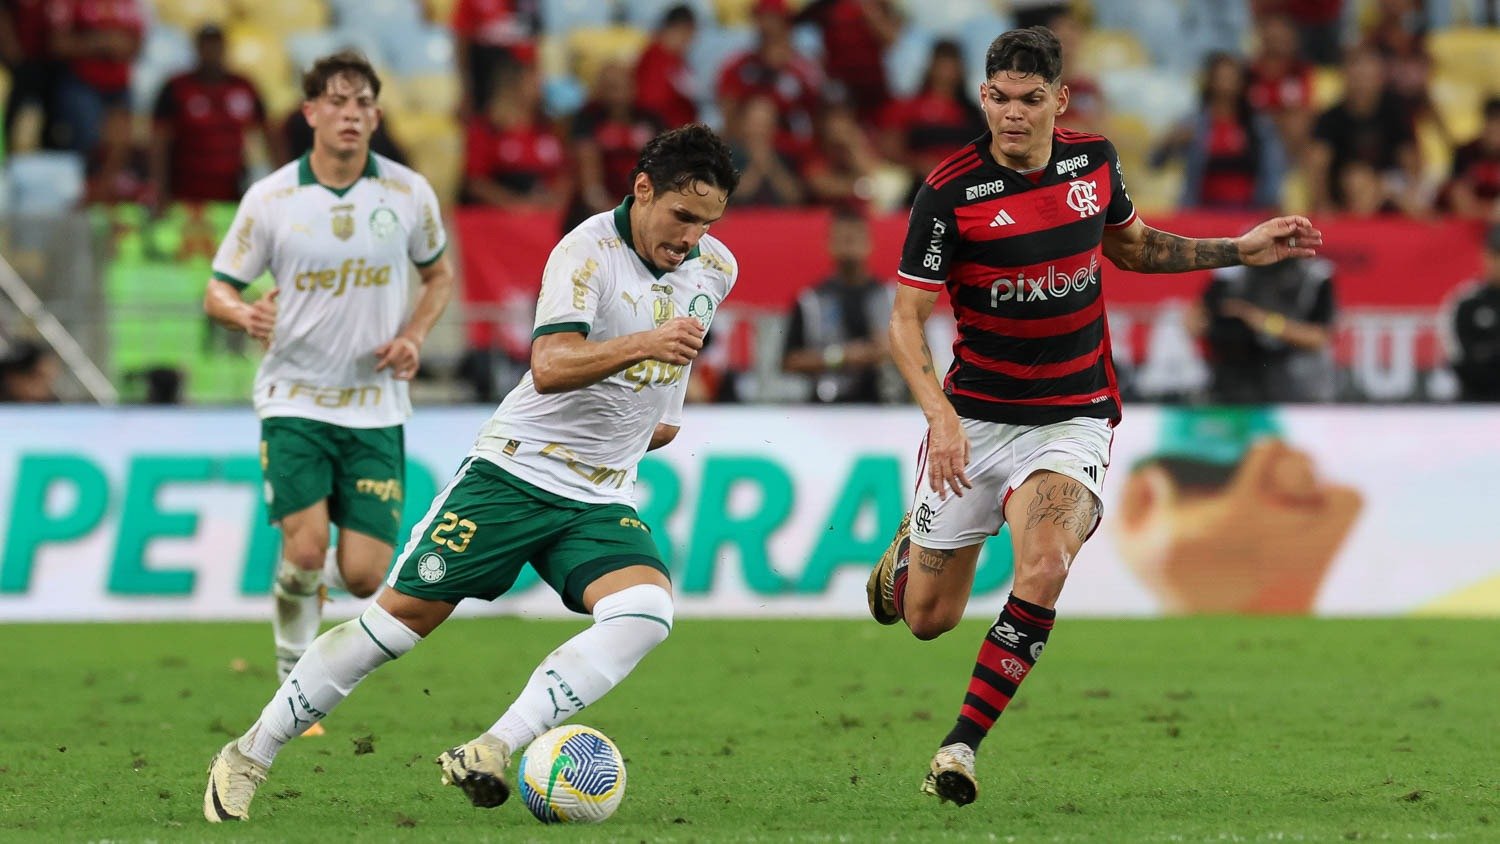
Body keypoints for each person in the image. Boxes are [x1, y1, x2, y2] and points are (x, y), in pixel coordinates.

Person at [202, 124, 740, 822]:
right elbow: (549, 366)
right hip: (512, 477)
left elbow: (671, 372)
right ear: (642, 190)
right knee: (390, 631)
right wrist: (644, 345)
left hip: (598, 494)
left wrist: (651, 420)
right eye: (682, 216)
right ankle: (248, 754)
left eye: (707, 222)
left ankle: (494, 746)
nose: (693, 237)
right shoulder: (584, 254)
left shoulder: (716, 269)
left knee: (646, 613)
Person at [862, 27, 1323, 807]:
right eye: (1000, 99)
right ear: (984, 98)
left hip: (1073, 415)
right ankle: (913, 548)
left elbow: (1136, 249)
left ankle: (960, 747)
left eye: (1030, 100)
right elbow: (905, 320)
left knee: (1044, 565)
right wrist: (939, 416)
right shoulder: (949, 191)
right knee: (927, 620)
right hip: (974, 421)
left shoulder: (1093, 164)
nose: (1013, 115)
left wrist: (1237, 251)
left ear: (1059, 101)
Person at [201, 51, 455, 735]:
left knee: (367, 576)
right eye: (337, 102)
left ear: (375, 116)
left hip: (375, 407)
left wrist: (413, 337)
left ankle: (303, 604)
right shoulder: (272, 199)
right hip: (294, 398)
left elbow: (438, 278)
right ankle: (292, 671)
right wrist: (243, 312)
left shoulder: (407, 194)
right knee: (308, 550)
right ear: (310, 113)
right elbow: (218, 288)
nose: (351, 114)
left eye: (363, 103)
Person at [150, 24, 283, 204]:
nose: (211, 51)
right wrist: (159, 188)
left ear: (225, 48)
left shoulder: (244, 87)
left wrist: (284, 185)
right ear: (197, 48)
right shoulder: (176, 88)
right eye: (206, 45)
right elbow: (159, 141)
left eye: (216, 45)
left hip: (232, 193)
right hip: (184, 195)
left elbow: (270, 136)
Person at [782, 204, 895, 402]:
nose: (849, 245)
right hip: (827, 407)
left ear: (869, 242)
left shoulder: (893, 299)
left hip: (886, 405)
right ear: (829, 243)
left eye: (855, 238)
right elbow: (789, 361)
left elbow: (924, 353)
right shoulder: (810, 300)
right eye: (843, 238)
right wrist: (841, 357)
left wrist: (892, 349)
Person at [1190, 254, 1336, 403]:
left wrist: (1263, 321)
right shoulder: (1232, 271)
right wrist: (1217, 323)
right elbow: (1194, 321)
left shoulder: (1313, 276)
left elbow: (1319, 338)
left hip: (1293, 385)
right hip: (1231, 378)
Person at [1152, 52, 1286, 211]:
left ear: (1242, 82)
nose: (1225, 83)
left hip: (1248, 212)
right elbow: (1155, 162)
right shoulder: (1192, 122)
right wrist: (1171, 142)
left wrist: (1270, 202)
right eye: (1221, 77)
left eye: (1231, 77)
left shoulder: (1259, 126)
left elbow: (1272, 168)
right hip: (1201, 210)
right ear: (1210, 81)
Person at [1444, 225, 1500, 401]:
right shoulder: (1466, 303)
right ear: (1484, 256)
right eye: (1495, 255)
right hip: (1475, 405)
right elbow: (1459, 358)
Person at [633, 3, 698, 130]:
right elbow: (651, 104)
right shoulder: (654, 58)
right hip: (664, 135)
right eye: (690, 34)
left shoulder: (679, 61)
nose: (691, 41)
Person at [1443, 97, 1500, 220]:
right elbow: (1459, 199)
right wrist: (1489, 211)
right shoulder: (1466, 152)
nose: (1495, 130)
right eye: (1492, 123)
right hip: (1467, 225)